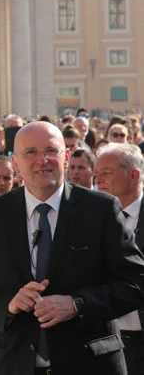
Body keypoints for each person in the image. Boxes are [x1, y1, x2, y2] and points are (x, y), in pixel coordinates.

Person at [0, 121, 144, 375]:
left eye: (51, 151)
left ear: (65, 157)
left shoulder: (101, 209)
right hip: (16, 364)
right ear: (17, 162)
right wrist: (9, 304)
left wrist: (78, 304)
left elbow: (135, 281)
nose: (42, 160)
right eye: (30, 152)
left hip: (90, 365)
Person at [94, 143, 144, 373]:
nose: (99, 180)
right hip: (106, 338)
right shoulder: (89, 217)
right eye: (97, 174)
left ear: (133, 174)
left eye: (107, 173)